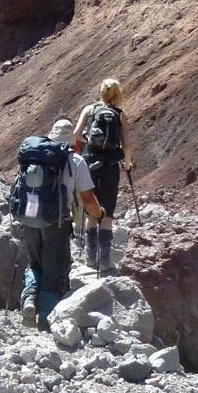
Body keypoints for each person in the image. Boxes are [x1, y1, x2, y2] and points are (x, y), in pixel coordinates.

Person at [19, 119, 103, 328]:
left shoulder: (35, 156)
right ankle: (47, 316)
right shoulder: (76, 161)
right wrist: (99, 214)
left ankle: (29, 298)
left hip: (30, 216)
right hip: (56, 221)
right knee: (54, 267)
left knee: (35, 262)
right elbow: (88, 199)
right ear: (72, 139)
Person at [72, 78, 133, 271]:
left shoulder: (89, 110)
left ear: (101, 92)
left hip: (89, 163)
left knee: (92, 208)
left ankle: (90, 258)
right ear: (117, 94)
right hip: (110, 166)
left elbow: (76, 134)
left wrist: (89, 140)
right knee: (108, 211)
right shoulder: (120, 115)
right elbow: (127, 145)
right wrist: (127, 163)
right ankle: (105, 261)